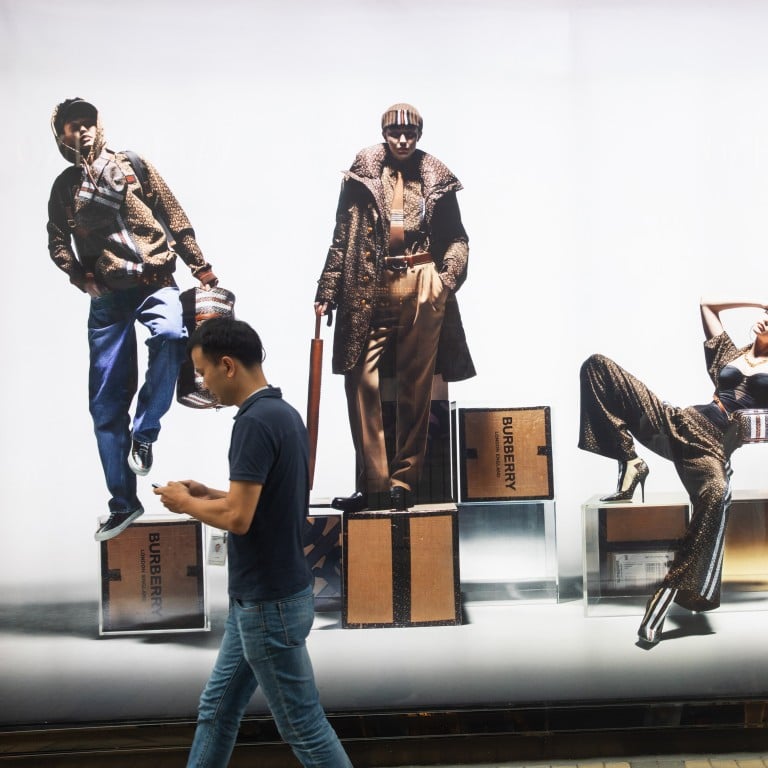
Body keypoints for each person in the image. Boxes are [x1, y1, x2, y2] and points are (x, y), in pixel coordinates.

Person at [154, 317, 353, 768]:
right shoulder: (282, 414)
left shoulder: (252, 424)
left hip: (267, 607)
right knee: (217, 711)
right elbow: (266, 502)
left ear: (227, 365)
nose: (203, 384)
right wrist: (209, 493)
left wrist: (185, 503)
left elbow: (238, 519)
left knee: (304, 727)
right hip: (267, 600)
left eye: (203, 373)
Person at [47, 98, 218, 541]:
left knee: (170, 336)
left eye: (87, 123)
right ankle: (123, 503)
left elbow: (173, 212)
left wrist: (199, 265)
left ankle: (146, 433)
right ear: (61, 135)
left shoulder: (133, 165)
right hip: (108, 297)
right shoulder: (65, 188)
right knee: (104, 404)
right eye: (71, 127)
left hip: (156, 280)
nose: (81, 132)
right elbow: (56, 241)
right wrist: (78, 275)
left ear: (98, 126)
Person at [579, 299, 768, 646]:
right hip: (681, 421)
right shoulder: (730, 355)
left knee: (716, 495)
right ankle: (631, 460)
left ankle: (664, 596)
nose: (765, 320)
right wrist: (755, 301)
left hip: (711, 448)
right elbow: (708, 306)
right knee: (597, 367)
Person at [314, 103, 475, 512]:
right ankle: (375, 482)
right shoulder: (363, 173)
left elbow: (457, 237)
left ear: (419, 135)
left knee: (415, 386)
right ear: (384, 134)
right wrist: (327, 289)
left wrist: (446, 280)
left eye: (411, 134)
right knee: (359, 377)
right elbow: (341, 236)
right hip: (371, 282)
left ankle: (404, 481)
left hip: (422, 281)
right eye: (395, 133)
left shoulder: (434, 175)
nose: (403, 141)